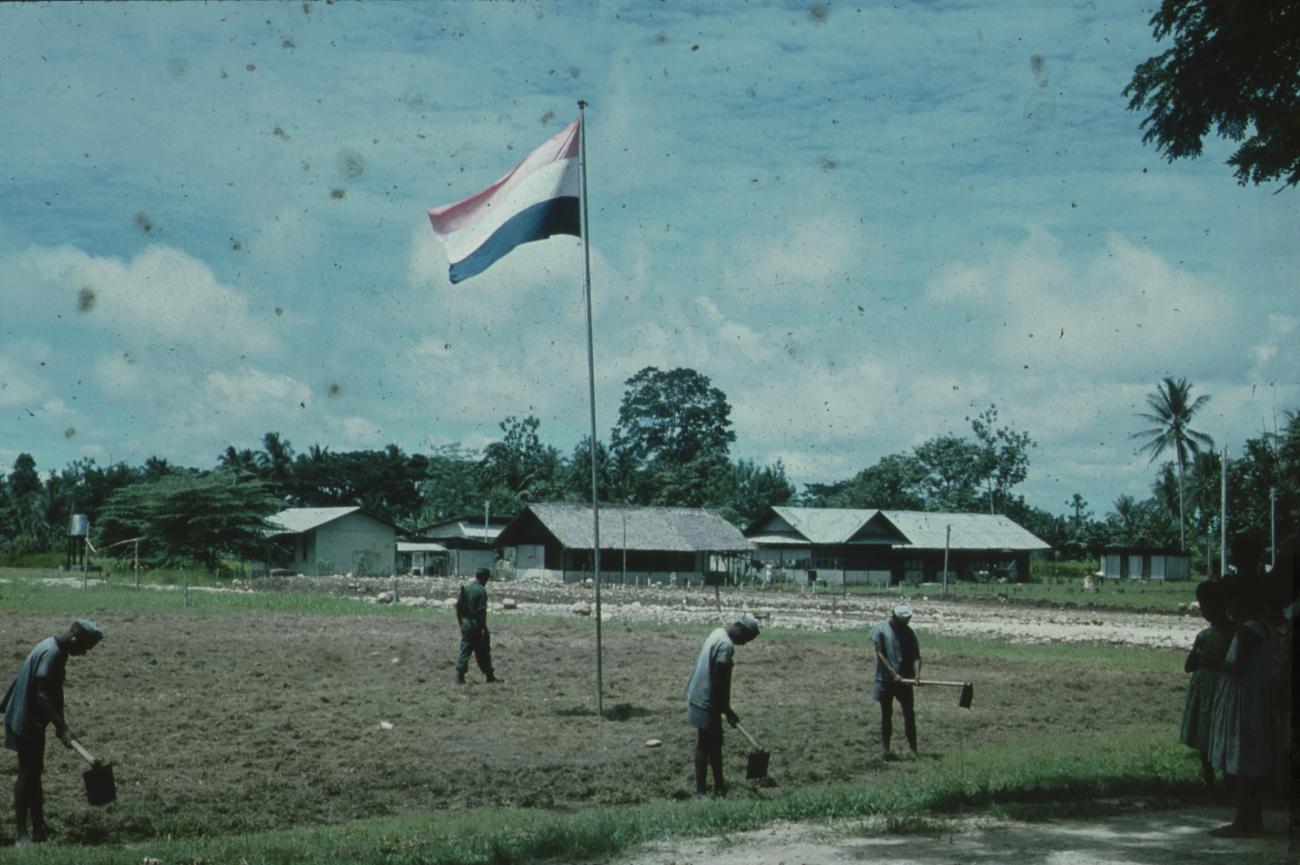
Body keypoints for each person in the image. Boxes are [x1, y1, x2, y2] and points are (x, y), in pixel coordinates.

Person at [1, 619, 104, 847]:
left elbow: (54, 694)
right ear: (75, 638)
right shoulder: (52, 653)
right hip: (25, 719)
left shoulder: (55, 648)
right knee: (27, 774)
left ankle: (39, 828)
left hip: (33, 720)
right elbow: (41, 695)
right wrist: (61, 727)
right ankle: (21, 834)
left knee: (35, 772)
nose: (85, 653)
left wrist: (62, 725)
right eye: (85, 647)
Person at [1203, 578, 1273, 837]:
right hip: (1255, 699)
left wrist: (1214, 662)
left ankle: (1242, 820)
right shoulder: (1262, 629)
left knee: (1241, 762)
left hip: (1242, 702)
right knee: (1251, 762)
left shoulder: (1246, 632)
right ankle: (1254, 818)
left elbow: (1238, 668)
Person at [684, 614, 760, 797]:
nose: (744, 644)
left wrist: (724, 708)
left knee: (715, 743)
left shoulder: (718, 632)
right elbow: (719, 680)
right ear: (740, 630)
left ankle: (720, 786)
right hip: (705, 697)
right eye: (746, 639)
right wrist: (725, 708)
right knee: (704, 744)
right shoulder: (725, 646)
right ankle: (701, 792)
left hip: (701, 693)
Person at [1180, 580, 1232, 798]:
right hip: (1225, 690)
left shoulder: (1204, 636)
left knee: (1204, 737)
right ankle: (1229, 782)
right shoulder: (1236, 633)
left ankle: (1210, 784)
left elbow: (1188, 666)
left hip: (1208, 691)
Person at [870, 603, 922, 758]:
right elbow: (880, 654)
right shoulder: (880, 629)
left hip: (905, 680)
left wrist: (917, 675)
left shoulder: (909, 633)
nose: (903, 625)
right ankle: (885, 749)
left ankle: (914, 750)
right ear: (894, 617)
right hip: (885, 680)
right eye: (901, 622)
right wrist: (893, 674)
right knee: (886, 714)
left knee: (909, 714)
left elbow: (916, 656)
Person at [454, 567, 498, 684]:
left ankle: (459, 676)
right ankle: (490, 676)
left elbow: (458, 607)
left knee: (465, 649)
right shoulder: (481, 591)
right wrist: (484, 628)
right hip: (476, 625)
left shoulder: (466, 589)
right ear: (484, 578)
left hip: (466, 623)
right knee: (483, 651)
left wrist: (460, 622)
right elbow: (481, 612)